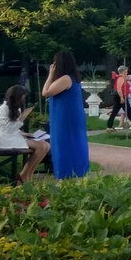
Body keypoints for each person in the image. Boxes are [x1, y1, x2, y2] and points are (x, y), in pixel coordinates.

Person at [42, 51, 90, 179]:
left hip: (65, 119)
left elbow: (46, 92)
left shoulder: (66, 78)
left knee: (65, 144)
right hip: (65, 117)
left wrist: (50, 74)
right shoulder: (71, 78)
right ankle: (70, 172)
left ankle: (67, 173)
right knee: (64, 143)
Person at [0, 85, 50, 183]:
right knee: (41, 147)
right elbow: (8, 129)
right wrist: (22, 118)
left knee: (46, 145)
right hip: (5, 139)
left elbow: (15, 129)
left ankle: (29, 173)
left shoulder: (17, 108)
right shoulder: (3, 109)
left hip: (14, 136)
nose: (24, 99)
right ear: (17, 97)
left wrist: (27, 134)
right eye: (23, 97)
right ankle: (24, 174)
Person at [106, 64, 131, 129]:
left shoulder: (121, 77)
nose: (127, 72)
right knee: (128, 111)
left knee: (116, 111)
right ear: (123, 71)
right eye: (126, 71)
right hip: (121, 97)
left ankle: (109, 127)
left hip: (121, 96)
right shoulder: (121, 78)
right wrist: (121, 97)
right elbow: (119, 88)